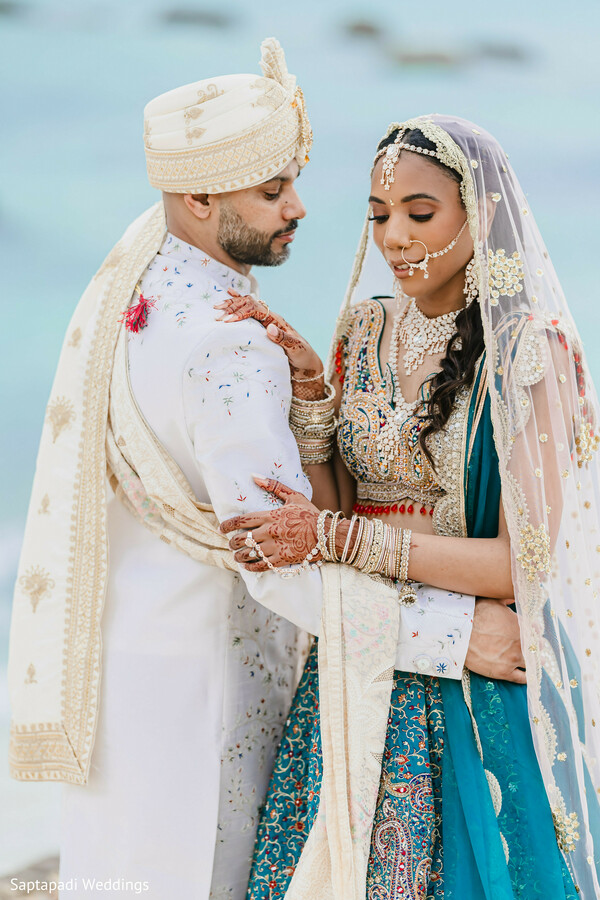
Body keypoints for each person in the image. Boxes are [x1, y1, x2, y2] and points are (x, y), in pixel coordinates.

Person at [6, 50, 512, 898]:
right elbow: (275, 561)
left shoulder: (132, 288)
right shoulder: (232, 343)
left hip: (120, 678)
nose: (300, 209)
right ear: (199, 198)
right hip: (207, 701)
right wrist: (458, 636)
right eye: (272, 191)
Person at [219, 116, 600, 898]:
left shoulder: (533, 351)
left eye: (419, 214)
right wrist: (312, 397)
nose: (394, 236)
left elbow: (516, 565)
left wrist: (336, 537)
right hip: (364, 652)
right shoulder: (364, 329)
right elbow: (343, 509)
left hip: (475, 663)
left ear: (481, 215)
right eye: (378, 215)